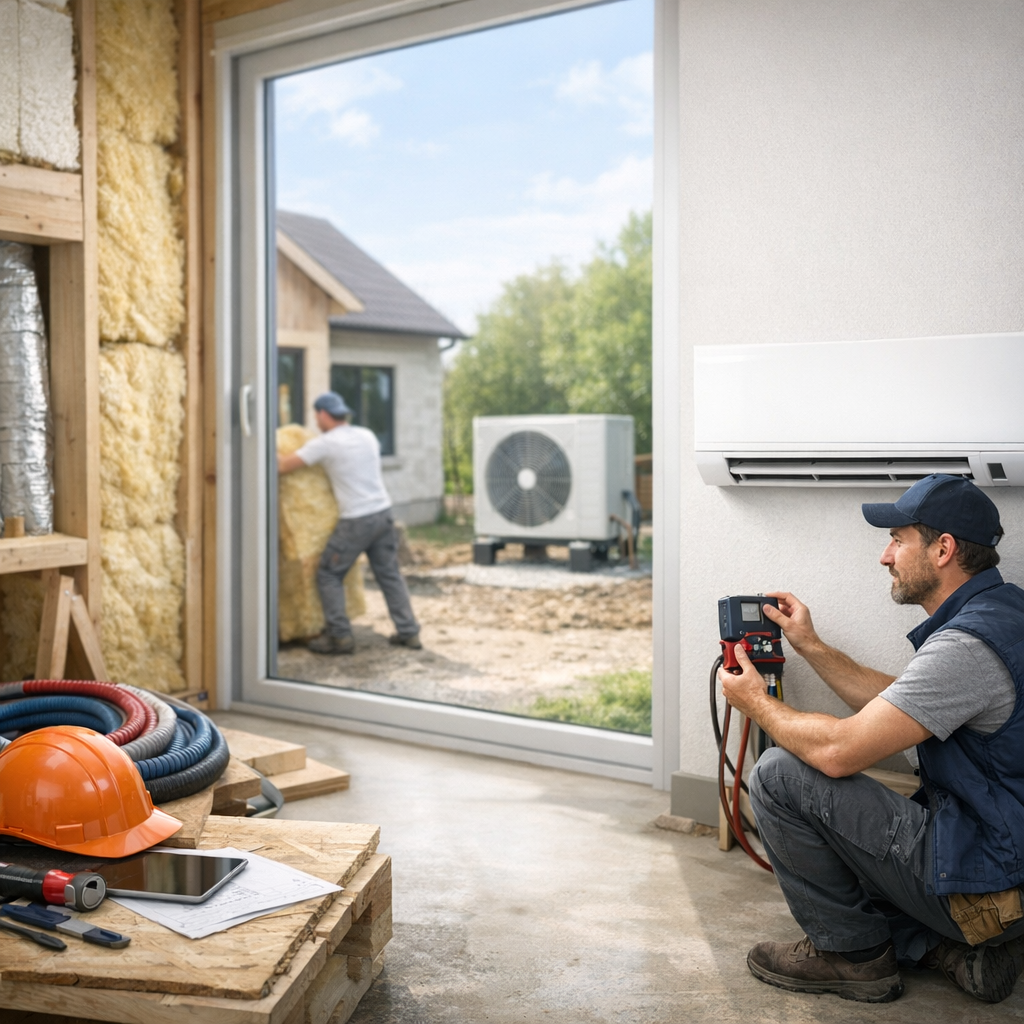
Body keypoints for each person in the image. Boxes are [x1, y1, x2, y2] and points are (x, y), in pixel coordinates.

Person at [719, 473, 1024, 1004]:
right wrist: (810, 645)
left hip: (989, 876)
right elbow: (902, 703)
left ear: (943, 549)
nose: (886, 556)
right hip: (1006, 856)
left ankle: (856, 960)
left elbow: (838, 753)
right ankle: (953, 950)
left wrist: (756, 703)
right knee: (842, 868)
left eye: (898, 540)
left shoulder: (965, 648)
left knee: (779, 776)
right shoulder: (1005, 614)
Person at [277, 391, 421, 654]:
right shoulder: (366, 435)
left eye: (316, 416)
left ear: (322, 414)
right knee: (389, 575)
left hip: (356, 520)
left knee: (329, 573)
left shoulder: (327, 443)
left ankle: (339, 637)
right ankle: (409, 632)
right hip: (384, 514)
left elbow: (283, 466)